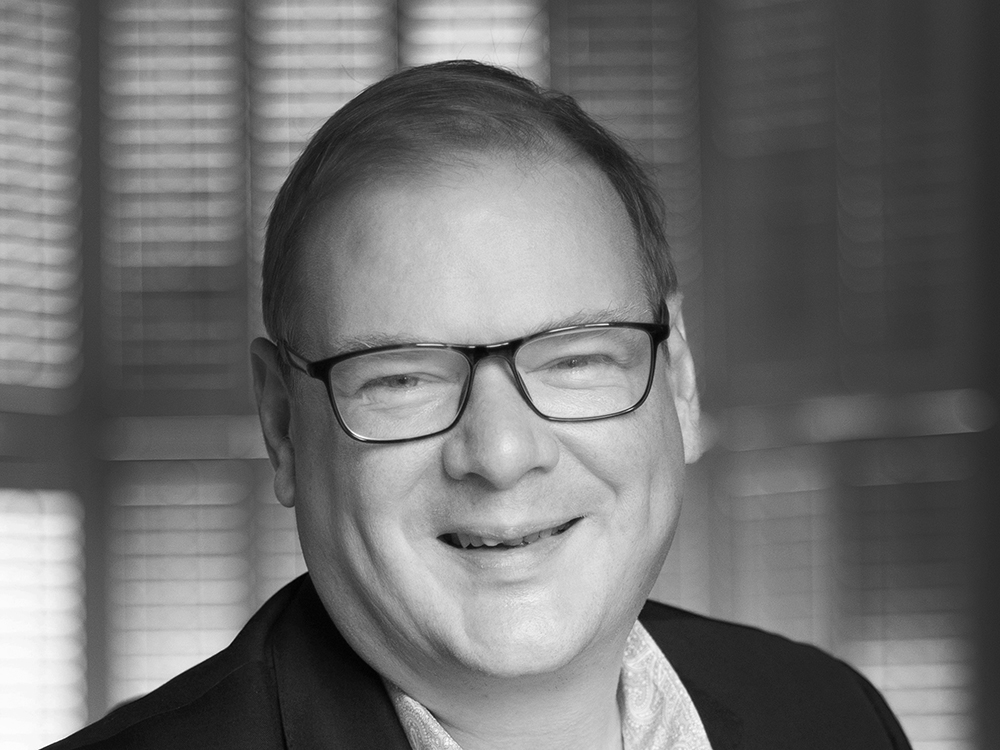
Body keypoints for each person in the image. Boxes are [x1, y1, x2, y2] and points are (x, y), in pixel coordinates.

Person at [47, 60, 912, 750]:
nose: (500, 455)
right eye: (401, 378)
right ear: (282, 427)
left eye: (574, 358)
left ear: (678, 380)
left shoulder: (833, 718)